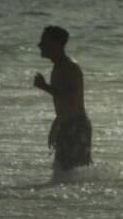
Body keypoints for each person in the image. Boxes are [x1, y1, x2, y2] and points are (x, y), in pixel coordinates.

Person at [33, 26, 92, 171]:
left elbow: (71, 97)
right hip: (67, 123)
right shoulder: (58, 67)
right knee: (63, 173)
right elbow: (64, 104)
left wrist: (44, 87)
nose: (39, 45)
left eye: (43, 41)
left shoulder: (70, 67)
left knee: (74, 173)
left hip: (76, 125)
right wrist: (57, 124)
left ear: (55, 44)